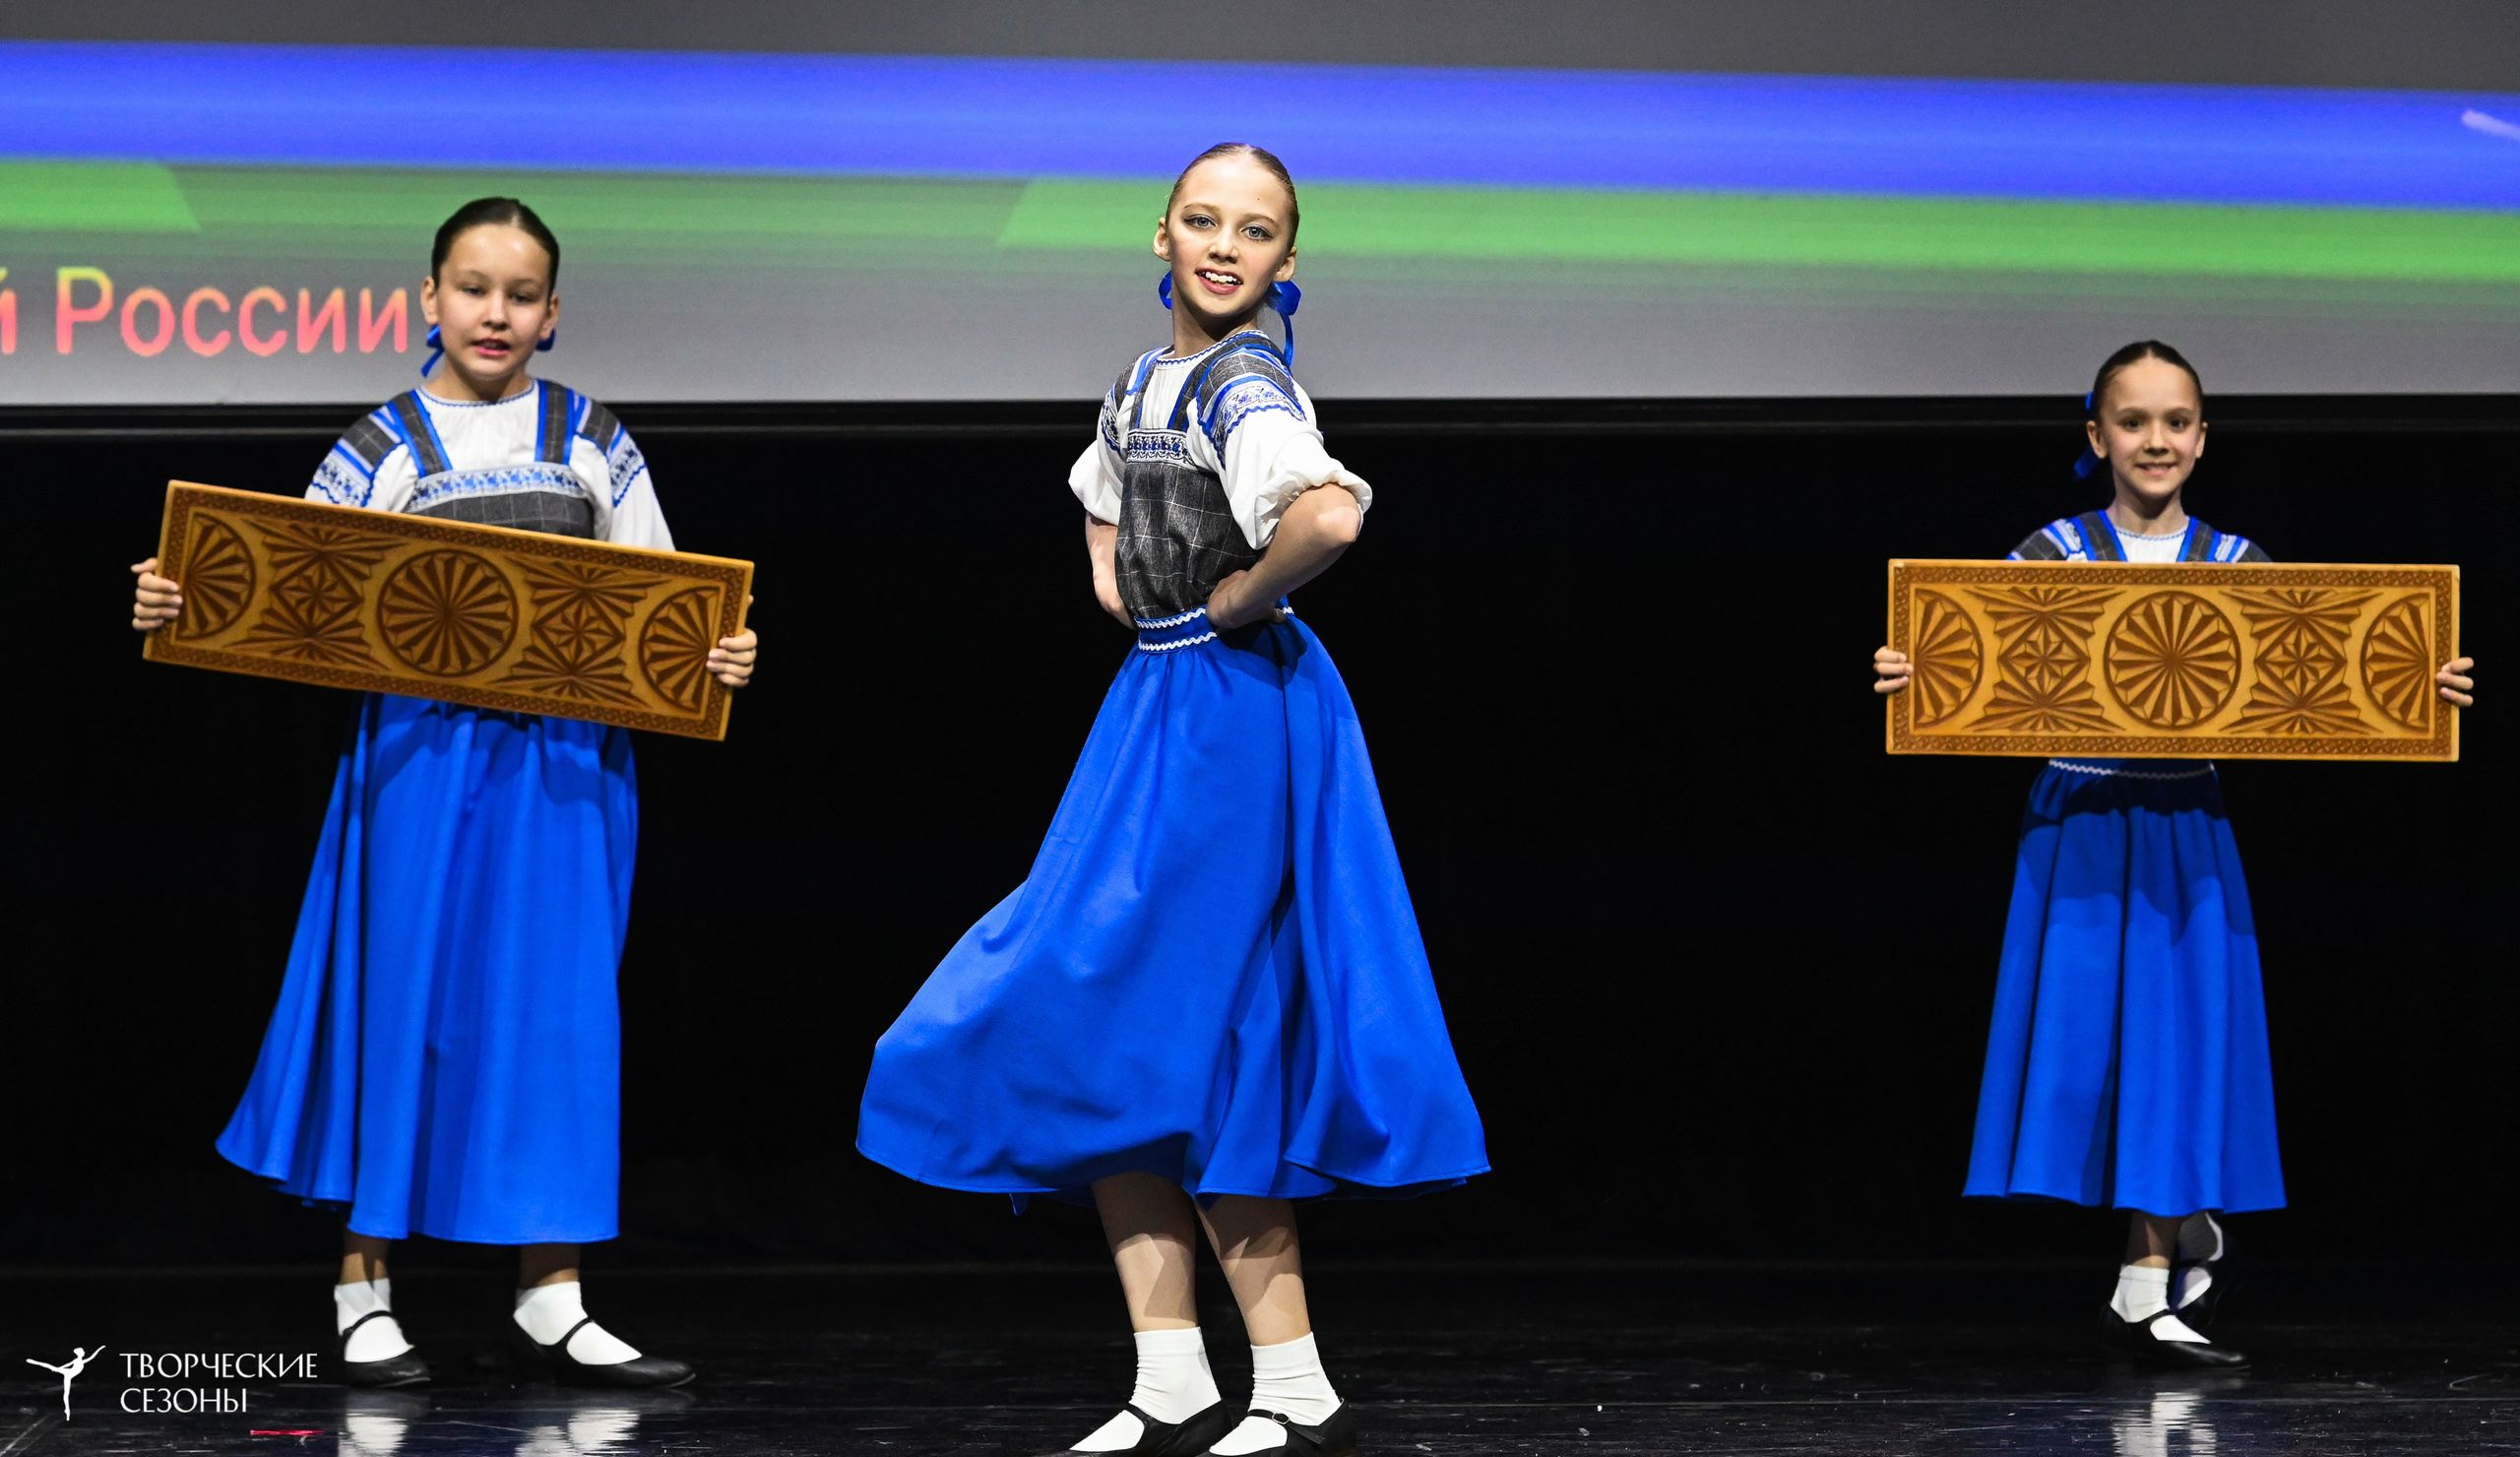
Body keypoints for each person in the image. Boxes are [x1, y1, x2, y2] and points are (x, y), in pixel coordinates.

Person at [856, 144, 1486, 1457]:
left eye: (1253, 230)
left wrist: (1229, 606)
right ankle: (1169, 1374)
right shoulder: (1147, 383)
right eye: (1202, 219)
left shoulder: (1246, 382)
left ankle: (1295, 1386)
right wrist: (1134, 596)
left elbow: (1326, 517)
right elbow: (1098, 504)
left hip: (1229, 719)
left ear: (1283, 261)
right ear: (1160, 235)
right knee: (1106, 1023)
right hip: (1161, 706)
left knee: (1200, 1032)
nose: (1222, 244)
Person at [130, 197, 759, 1391]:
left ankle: (551, 1290)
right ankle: (361, 1283)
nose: (495, 313)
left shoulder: (593, 440)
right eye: (474, 288)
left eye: (521, 295)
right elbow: (277, 589)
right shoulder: (379, 446)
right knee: (396, 1003)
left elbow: (671, 606)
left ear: (553, 314)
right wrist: (179, 597)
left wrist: (720, 655)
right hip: (418, 769)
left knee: (559, 1014)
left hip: (567, 774)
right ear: (430, 299)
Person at [1873, 340, 2476, 1368]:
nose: (2155, 439)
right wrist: (1915, 668)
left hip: (2185, 827)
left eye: (2176, 421)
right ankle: (2179, 1235)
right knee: (2087, 1056)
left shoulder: (2240, 568)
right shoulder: (2049, 556)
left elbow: (2321, 685)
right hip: (2078, 827)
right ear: (2096, 436)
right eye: (2134, 420)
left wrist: (2420, 686)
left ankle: (2143, 1279)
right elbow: (1972, 663)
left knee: (2176, 1042)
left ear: (2202, 438)